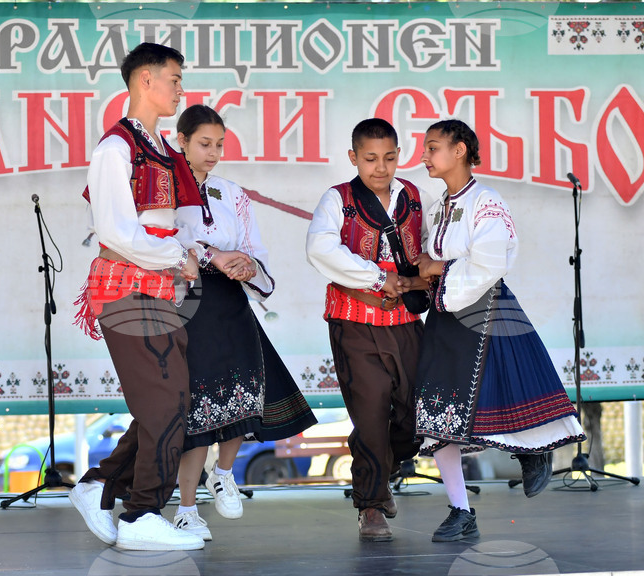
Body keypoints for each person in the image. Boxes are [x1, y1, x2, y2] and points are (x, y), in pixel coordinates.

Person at [413, 119, 586, 542]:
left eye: (433, 147)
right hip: (445, 316)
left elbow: (491, 261)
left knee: (507, 395)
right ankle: (460, 509)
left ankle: (534, 452)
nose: (424, 156)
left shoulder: (485, 201)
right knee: (439, 413)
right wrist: (424, 268)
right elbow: (426, 258)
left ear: (459, 150)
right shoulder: (438, 207)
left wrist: (439, 268)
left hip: (484, 310)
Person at [70, 42, 205, 551]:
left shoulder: (162, 148)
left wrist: (185, 256)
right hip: (127, 286)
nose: (180, 88)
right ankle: (141, 513)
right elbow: (118, 234)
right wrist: (177, 256)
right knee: (167, 403)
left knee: (169, 402)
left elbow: (170, 224)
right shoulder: (116, 149)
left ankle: (101, 484)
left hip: (160, 286)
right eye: (174, 79)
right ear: (145, 80)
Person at [170, 105, 317, 541]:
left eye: (219, 144)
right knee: (199, 409)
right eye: (204, 143)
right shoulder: (164, 192)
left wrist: (248, 266)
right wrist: (210, 254)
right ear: (181, 140)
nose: (214, 152)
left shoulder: (232, 193)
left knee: (245, 390)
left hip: (231, 303)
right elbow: (162, 243)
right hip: (188, 304)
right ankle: (185, 507)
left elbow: (254, 246)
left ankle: (225, 473)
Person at [305, 118, 426, 542]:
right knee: (371, 413)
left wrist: (420, 278)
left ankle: (377, 467)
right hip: (354, 321)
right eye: (371, 158)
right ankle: (372, 505)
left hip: (406, 321)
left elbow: (432, 247)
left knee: (416, 414)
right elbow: (320, 247)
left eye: (390, 158)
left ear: (399, 155)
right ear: (354, 157)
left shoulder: (413, 195)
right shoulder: (337, 199)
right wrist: (377, 278)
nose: (381, 167)